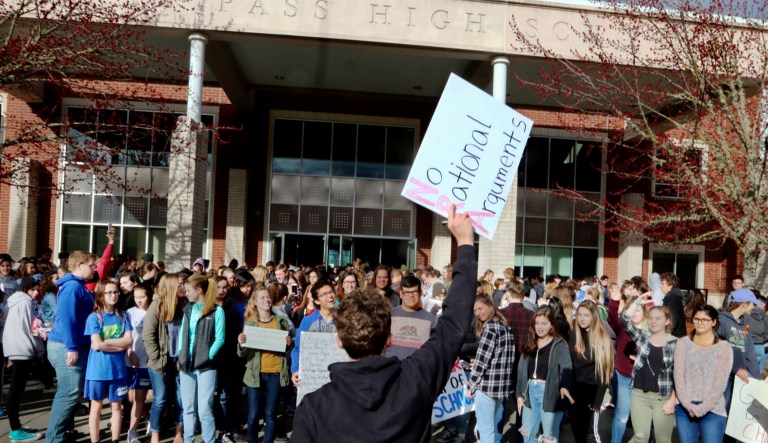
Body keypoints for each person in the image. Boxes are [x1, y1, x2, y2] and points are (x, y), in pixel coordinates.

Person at [290, 204, 476, 442]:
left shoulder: (314, 408)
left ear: (339, 340)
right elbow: (453, 325)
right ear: (389, 337)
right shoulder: (416, 379)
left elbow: (453, 327)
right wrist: (465, 245)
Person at [45, 251, 96, 443]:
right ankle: (54, 439)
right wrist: (72, 348)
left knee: (69, 393)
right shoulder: (72, 288)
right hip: (65, 347)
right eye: (91, 265)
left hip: (69, 345)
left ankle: (60, 435)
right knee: (68, 393)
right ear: (79, 266)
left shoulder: (76, 287)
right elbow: (67, 320)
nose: (94, 268)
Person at [238, 285, 293, 443]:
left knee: (270, 414)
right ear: (254, 302)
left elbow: (287, 346)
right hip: (255, 374)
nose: (267, 300)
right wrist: (241, 343)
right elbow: (242, 353)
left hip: (276, 372)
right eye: (262, 297)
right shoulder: (251, 324)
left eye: (268, 296)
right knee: (253, 414)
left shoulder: (280, 321)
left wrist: (288, 343)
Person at [622, 294, 678, 443]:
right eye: (651, 318)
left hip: (663, 397)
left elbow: (681, 376)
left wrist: (673, 399)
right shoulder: (642, 337)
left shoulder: (676, 344)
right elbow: (625, 321)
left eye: (658, 318)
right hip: (639, 395)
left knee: (663, 439)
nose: (653, 321)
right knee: (640, 437)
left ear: (667, 321)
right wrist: (636, 302)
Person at [674, 304, 732, 443]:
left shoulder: (724, 347)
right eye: (696, 319)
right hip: (685, 408)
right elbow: (678, 376)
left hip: (713, 409)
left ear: (713, 322)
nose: (700, 322)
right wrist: (688, 406)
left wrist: (701, 409)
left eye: (705, 319)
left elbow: (720, 384)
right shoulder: (682, 343)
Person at [178, 275, 225, 443]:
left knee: (205, 409)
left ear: (199, 291)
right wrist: (180, 355)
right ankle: (188, 440)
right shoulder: (188, 309)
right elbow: (183, 334)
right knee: (188, 408)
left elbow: (220, 338)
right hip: (186, 364)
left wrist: (207, 356)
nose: (185, 293)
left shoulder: (217, 311)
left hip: (206, 366)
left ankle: (209, 440)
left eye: (189, 290)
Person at [84, 280, 133, 443]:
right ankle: (95, 440)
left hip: (118, 371)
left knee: (117, 406)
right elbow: (96, 344)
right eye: (109, 292)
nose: (113, 295)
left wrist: (108, 344)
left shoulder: (124, 315)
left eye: (116, 292)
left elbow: (129, 341)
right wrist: (120, 344)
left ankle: (115, 440)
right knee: (96, 407)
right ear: (100, 295)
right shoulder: (94, 317)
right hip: (97, 371)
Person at [516, 307, 572, 443]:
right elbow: (521, 371)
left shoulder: (559, 344)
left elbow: (567, 367)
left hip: (550, 394)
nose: (540, 327)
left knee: (549, 437)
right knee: (527, 433)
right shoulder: (530, 343)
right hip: (529, 392)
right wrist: (519, 394)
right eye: (537, 323)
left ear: (551, 324)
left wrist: (564, 386)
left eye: (544, 323)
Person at [466, 294, 515, 443]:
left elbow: (482, 361)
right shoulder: (504, 326)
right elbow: (503, 358)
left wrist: (471, 385)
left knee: (485, 431)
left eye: (480, 308)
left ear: (490, 306)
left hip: (487, 386)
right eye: (474, 311)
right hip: (501, 386)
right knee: (491, 428)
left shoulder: (490, 328)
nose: (477, 313)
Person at [143, 273, 186, 443]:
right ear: (170, 287)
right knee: (160, 399)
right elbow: (148, 335)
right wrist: (156, 358)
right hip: (160, 361)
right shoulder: (156, 306)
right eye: (180, 285)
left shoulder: (184, 305)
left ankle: (178, 432)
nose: (183, 287)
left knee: (180, 398)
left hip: (178, 361)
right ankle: (155, 434)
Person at [4, 276, 46, 442]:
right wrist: (40, 349)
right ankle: (15, 430)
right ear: (25, 289)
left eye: (37, 289)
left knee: (16, 390)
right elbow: (31, 328)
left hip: (13, 347)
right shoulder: (26, 303)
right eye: (32, 289)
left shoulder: (13, 301)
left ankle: (16, 425)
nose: (36, 293)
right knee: (16, 391)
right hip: (23, 348)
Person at [568, 300, 614, 443]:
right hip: (574, 392)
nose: (582, 318)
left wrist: (597, 401)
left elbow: (604, 372)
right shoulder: (574, 334)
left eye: (586, 315)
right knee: (576, 430)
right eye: (579, 314)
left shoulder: (602, 338)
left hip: (591, 392)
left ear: (594, 316)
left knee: (591, 435)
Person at [607, 281, 646, 443]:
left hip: (644, 380)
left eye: (639, 310)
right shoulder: (623, 327)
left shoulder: (650, 329)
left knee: (643, 418)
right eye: (634, 309)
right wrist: (614, 302)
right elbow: (612, 320)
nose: (636, 313)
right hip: (624, 376)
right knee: (622, 415)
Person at [717, 288, 762, 409]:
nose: (754, 307)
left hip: (738, 377)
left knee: (732, 412)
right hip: (723, 377)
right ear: (744, 303)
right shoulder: (721, 320)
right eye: (753, 304)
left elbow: (749, 350)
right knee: (720, 411)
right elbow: (717, 351)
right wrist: (735, 369)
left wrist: (758, 379)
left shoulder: (745, 322)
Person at [290, 278, 336, 386]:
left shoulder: (343, 320)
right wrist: (295, 370)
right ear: (316, 301)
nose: (330, 296)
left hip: (336, 378)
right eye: (324, 294)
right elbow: (297, 348)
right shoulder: (308, 321)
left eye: (331, 292)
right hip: (313, 377)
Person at [385, 274, 437, 360]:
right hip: (392, 369)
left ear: (420, 293)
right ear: (401, 294)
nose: (411, 295)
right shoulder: (389, 315)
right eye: (407, 292)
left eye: (414, 292)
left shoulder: (432, 320)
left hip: (418, 369)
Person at [126, 284, 152, 443]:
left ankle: (132, 432)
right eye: (136, 297)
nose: (139, 300)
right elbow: (126, 335)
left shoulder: (154, 312)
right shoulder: (130, 312)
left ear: (149, 295)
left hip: (145, 362)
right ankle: (148, 418)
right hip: (130, 360)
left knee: (138, 399)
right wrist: (129, 352)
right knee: (131, 398)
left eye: (142, 297)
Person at [659, 272, 686, 338]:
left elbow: (673, 319)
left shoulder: (671, 297)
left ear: (670, 285)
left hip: (674, 336)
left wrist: (665, 333)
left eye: (662, 284)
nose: (660, 285)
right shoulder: (674, 296)